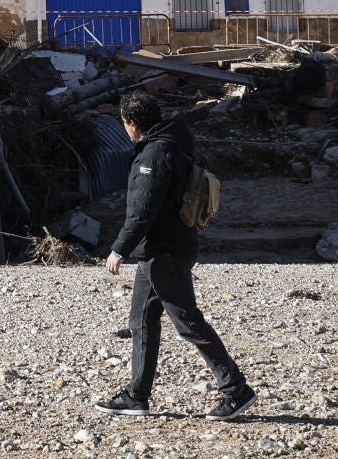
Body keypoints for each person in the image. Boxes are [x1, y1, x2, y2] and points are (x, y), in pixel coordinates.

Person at [95, 90, 254, 420]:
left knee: (187, 322)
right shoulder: (175, 142)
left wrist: (118, 249)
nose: (125, 129)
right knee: (141, 319)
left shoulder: (154, 155)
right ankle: (136, 396)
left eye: (124, 123)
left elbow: (142, 211)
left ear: (133, 124)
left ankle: (236, 390)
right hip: (164, 248)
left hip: (164, 250)